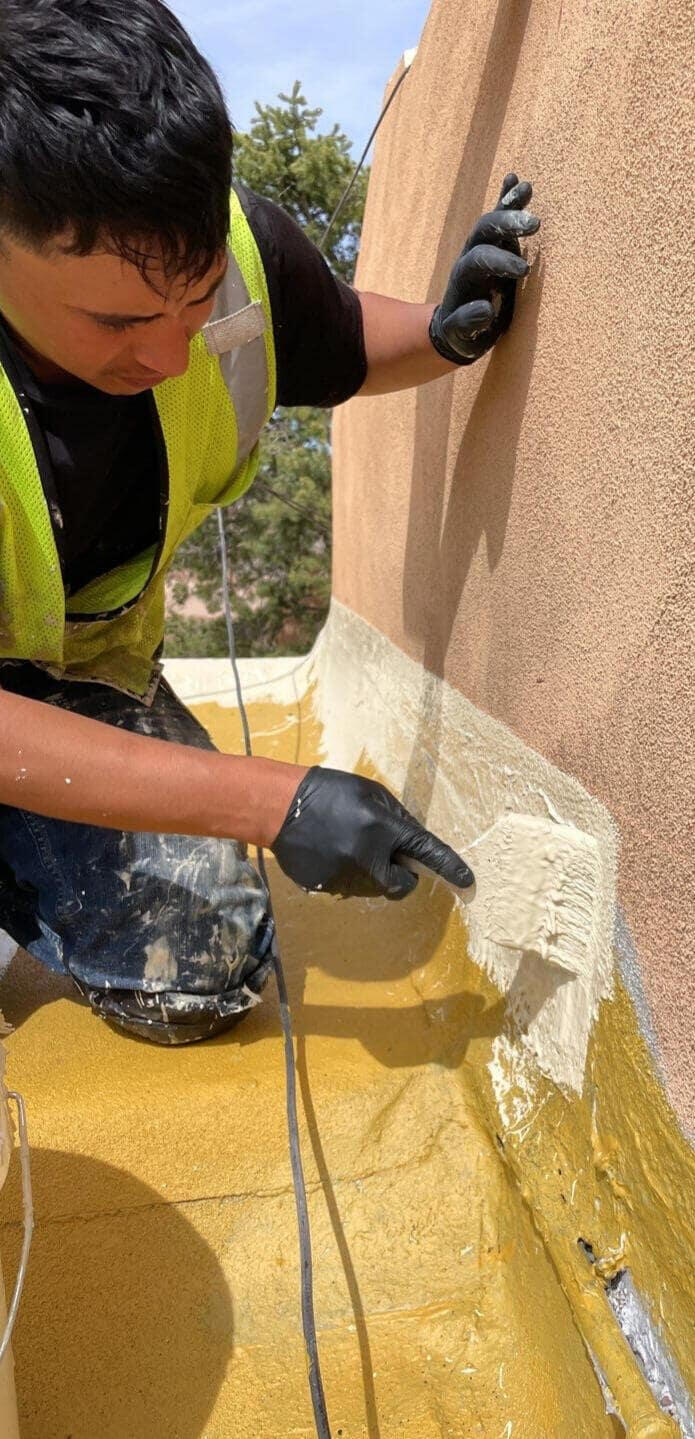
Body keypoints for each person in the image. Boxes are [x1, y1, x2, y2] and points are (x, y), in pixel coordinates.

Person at [0, 0, 540, 1045]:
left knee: (201, 961)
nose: (170, 357)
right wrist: (269, 799)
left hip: (78, 677)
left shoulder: (232, 247)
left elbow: (332, 334)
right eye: (116, 321)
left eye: (194, 301)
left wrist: (441, 332)